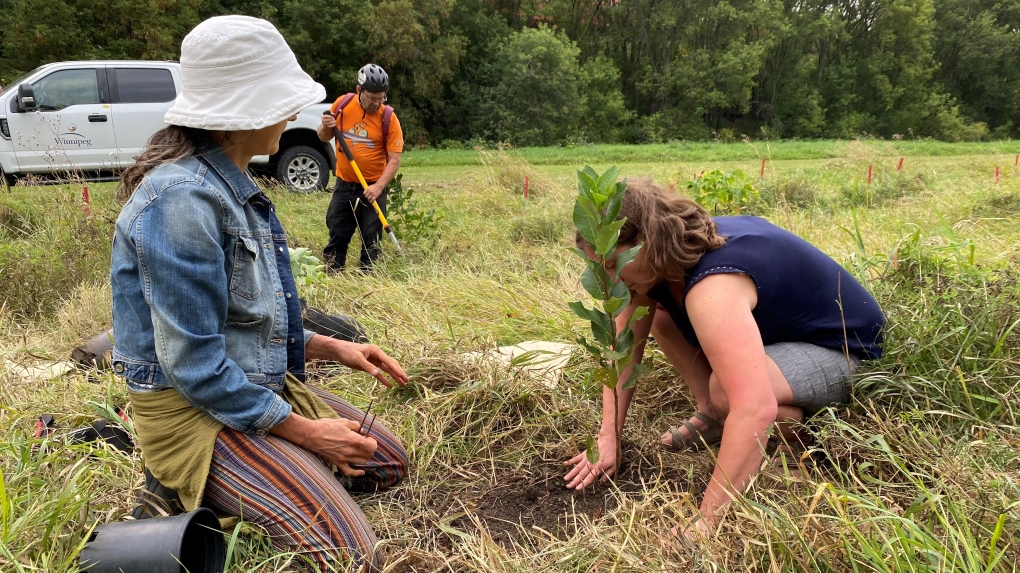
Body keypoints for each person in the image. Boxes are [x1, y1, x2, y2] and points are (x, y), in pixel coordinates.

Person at [111, 16, 409, 570]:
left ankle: (263, 473)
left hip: (250, 382)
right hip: (192, 409)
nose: (293, 114)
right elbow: (195, 366)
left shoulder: (232, 187)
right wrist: (308, 434)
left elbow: (244, 319)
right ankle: (182, 484)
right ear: (240, 111)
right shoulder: (181, 202)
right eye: (280, 100)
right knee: (350, 552)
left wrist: (332, 347)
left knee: (386, 463)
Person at [562, 178, 884, 535]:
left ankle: (794, 444)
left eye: (611, 266)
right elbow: (622, 349)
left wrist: (706, 523)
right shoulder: (662, 259)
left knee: (731, 394)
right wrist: (610, 436)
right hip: (780, 338)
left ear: (646, 243)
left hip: (842, 350)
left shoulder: (714, 286)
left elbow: (754, 407)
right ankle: (714, 414)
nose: (608, 283)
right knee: (659, 315)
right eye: (598, 269)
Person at [318, 64, 404, 272]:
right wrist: (325, 125)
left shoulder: (388, 118)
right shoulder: (343, 104)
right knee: (337, 233)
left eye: (381, 98)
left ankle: (368, 280)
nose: (377, 103)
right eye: (372, 98)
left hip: (373, 188)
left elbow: (394, 160)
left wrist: (378, 187)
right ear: (359, 91)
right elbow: (323, 136)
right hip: (344, 185)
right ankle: (333, 274)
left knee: (372, 239)